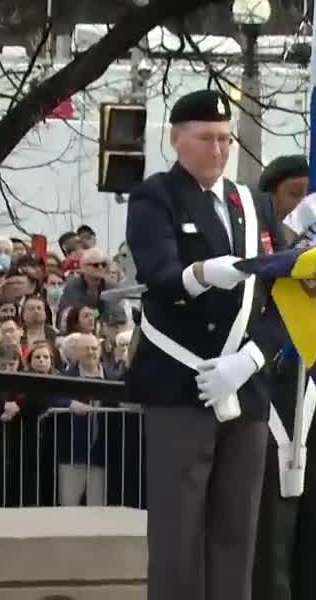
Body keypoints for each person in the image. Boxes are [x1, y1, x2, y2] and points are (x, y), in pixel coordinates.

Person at [125, 89, 283, 600]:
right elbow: (160, 275)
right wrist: (201, 273)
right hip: (182, 381)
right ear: (177, 140)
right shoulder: (157, 197)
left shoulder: (253, 204)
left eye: (225, 138)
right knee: (178, 530)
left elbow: (284, 294)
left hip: (245, 384)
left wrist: (253, 357)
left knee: (237, 528)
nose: (219, 149)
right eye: (206, 138)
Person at [250, 154, 316, 600]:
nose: (306, 207)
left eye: (315, 197)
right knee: (271, 534)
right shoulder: (253, 262)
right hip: (271, 400)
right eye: (295, 195)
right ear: (271, 201)